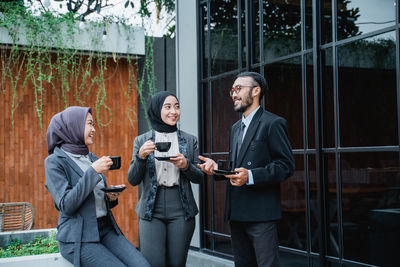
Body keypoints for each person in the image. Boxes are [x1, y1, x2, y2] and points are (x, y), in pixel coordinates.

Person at [197, 72, 295, 267]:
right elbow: (237, 167)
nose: (233, 94)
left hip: (261, 214)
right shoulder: (235, 128)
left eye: (238, 88)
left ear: (256, 90)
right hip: (237, 212)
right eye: (232, 90)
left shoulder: (273, 123)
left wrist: (250, 176)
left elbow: (286, 166)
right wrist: (218, 169)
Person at [44, 106, 150, 267]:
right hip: (78, 237)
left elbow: (92, 197)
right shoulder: (54, 162)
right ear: (73, 126)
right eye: (89, 124)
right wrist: (93, 171)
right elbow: (66, 205)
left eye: (93, 125)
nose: (93, 129)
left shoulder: (90, 157)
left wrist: (109, 197)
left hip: (105, 229)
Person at [128, 91, 203, 267]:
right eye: (167, 107)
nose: (174, 111)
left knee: (177, 264)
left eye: (177, 107)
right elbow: (132, 179)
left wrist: (186, 165)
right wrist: (140, 157)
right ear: (156, 109)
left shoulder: (189, 140)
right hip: (151, 210)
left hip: (181, 209)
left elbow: (199, 177)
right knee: (153, 263)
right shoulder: (142, 141)